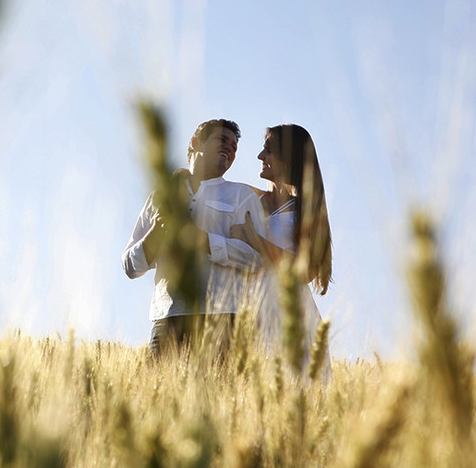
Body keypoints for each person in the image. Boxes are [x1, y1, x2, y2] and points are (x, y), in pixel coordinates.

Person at [123, 119, 267, 356]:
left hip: (224, 320)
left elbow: (259, 261)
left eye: (234, 147)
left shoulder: (242, 195)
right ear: (195, 142)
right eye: (223, 140)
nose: (230, 148)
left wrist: (206, 242)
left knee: (217, 393)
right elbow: (129, 267)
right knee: (158, 392)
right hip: (168, 318)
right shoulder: (161, 197)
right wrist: (154, 236)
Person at [229, 124, 333, 374]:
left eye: (268, 150)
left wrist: (255, 238)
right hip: (246, 310)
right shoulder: (247, 199)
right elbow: (210, 192)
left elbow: (307, 270)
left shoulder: (307, 211)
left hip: (290, 316)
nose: (260, 157)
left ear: (290, 157)